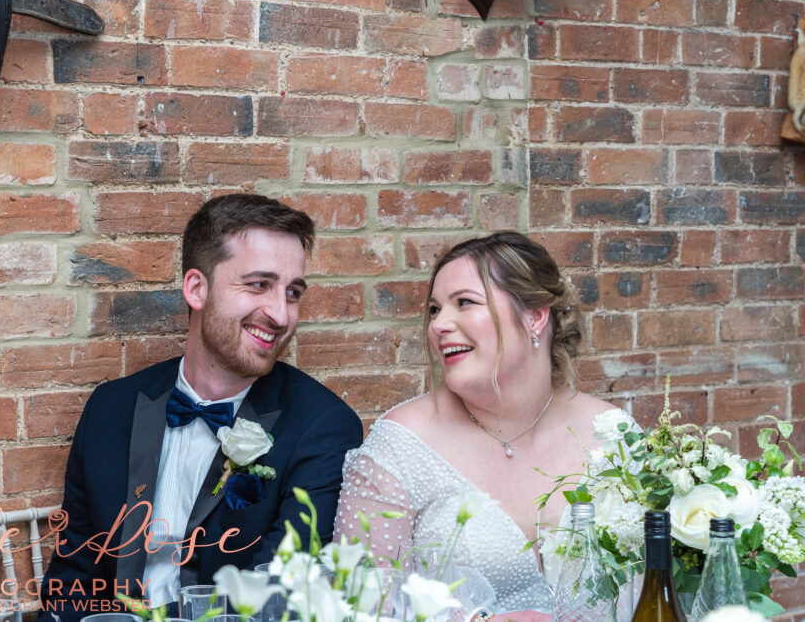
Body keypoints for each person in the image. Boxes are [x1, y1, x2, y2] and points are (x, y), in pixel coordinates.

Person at [39, 194, 363, 621]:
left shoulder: (323, 428)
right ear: (197, 288)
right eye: (259, 285)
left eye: (293, 292)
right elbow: (73, 580)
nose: (282, 315)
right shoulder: (110, 409)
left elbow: (278, 593)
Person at [334, 231, 627, 622]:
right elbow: (357, 601)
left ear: (534, 316)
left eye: (464, 303)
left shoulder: (612, 434)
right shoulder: (401, 446)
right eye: (435, 310)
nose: (439, 325)